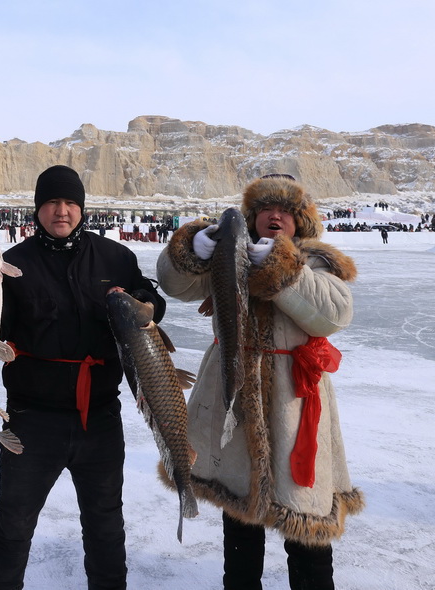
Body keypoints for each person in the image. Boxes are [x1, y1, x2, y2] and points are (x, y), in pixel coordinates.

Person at [0, 165, 166, 590]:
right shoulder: (13, 264)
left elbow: (152, 304)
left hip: (99, 418)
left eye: (70, 202)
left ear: (82, 208)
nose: (62, 211)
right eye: (52, 202)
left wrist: (145, 302)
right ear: (38, 209)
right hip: (32, 418)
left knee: (106, 525)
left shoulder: (116, 258)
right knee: (14, 524)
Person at [156, 174, 363, 589]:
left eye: (285, 210)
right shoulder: (231, 256)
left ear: (300, 220)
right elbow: (175, 284)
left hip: (294, 404)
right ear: (252, 217)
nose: (275, 216)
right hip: (233, 396)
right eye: (266, 209)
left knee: (306, 524)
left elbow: (332, 314)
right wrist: (192, 250)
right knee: (239, 523)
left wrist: (280, 267)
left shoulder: (317, 262)